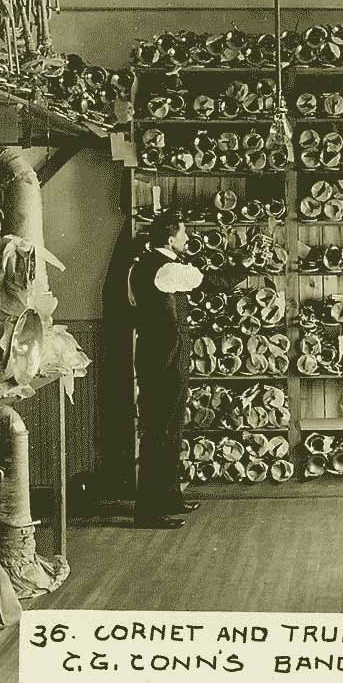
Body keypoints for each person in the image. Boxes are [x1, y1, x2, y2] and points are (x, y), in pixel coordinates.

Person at [127, 213, 204, 529]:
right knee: (160, 430)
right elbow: (206, 280)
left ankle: (170, 496)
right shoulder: (167, 268)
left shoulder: (143, 265)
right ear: (171, 240)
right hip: (165, 358)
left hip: (160, 355)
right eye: (184, 234)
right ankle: (148, 511)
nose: (187, 240)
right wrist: (245, 262)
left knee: (170, 428)